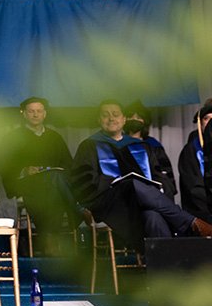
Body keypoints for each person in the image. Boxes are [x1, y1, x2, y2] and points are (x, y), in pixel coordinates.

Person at [69, 100, 212, 252]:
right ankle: (193, 223)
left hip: (139, 206)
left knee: (154, 216)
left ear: (124, 119)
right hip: (110, 206)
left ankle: (164, 270)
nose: (111, 118)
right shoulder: (89, 146)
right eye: (105, 115)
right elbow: (84, 183)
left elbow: (159, 177)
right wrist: (115, 183)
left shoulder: (142, 146)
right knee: (133, 183)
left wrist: (160, 189)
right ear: (99, 120)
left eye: (115, 114)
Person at [0, 97, 82, 250]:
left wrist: (54, 171)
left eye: (39, 111)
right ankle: (75, 212)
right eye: (31, 111)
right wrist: (24, 170)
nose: (35, 115)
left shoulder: (54, 137)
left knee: (55, 187)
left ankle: (48, 237)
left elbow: (68, 163)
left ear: (44, 114)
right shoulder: (13, 137)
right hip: (27, 183)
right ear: (24, 114)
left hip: (52, 185)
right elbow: (3, 164)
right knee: (57, 183)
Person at [123, 100, 176, 198]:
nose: (134, 120)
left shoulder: (154, 146)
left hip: (154, 194)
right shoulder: (118, 144)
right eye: (131, 116)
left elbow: (166, 174)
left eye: (139, 117)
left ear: (145, 121)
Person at [177, 101, 212, 221]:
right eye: (206, 118)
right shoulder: (191, 151)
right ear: (200, 123)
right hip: (203, 213)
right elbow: (194, 190)